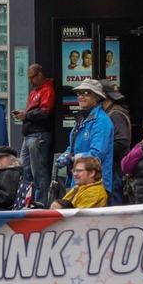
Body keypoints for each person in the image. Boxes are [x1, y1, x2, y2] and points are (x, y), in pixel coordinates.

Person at [63, 79, 118, 203]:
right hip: (80, 181)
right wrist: (65, 154)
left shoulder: (101, 121)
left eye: (86, 93)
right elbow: (73, 146)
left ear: (97, 97)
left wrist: (72, 158)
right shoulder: (82, 118)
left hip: (95, 183)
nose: (81, 96)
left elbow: (97, 154)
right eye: (79, 93)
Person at [20, 63, 56, 208]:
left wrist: (26, 115)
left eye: (32, 78)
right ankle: (29, 201)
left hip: (38, 134)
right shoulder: (35, 91)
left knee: (39, 172)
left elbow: (45, 112)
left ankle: (40, 203)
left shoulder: (47, 90)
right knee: (27, 171)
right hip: (30, 134)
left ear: (40, 75)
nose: (30, 81)